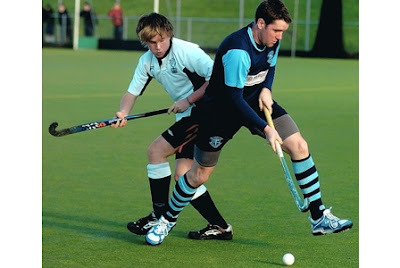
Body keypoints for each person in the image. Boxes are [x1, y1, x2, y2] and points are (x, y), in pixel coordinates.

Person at [145, 0, 353, 246]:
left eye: (282, 31)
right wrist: (266, 129)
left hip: (255, 101)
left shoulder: (271, 39)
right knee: (198, 175)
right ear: (260, 23)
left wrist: (266, 88)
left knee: (299, 146)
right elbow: (234, 99)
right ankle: (166, 220)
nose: (279, 36)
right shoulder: (237, 52)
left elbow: (270, 65)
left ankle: (318, 217)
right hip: (221, 112)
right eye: (276, 31)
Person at [111, 13, 233, 241]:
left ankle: (159, 216)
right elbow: (132, 92)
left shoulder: (187, 52)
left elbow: (217, 78)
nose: (157, 47)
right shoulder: (147, 61)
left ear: (169, 35)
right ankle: (220, 227)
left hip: (208, 111)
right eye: (151, 43)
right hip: (189, 114)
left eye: (161, 41)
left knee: (156, 151)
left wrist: (188, 100)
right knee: (183, 176)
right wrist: (123, 113)